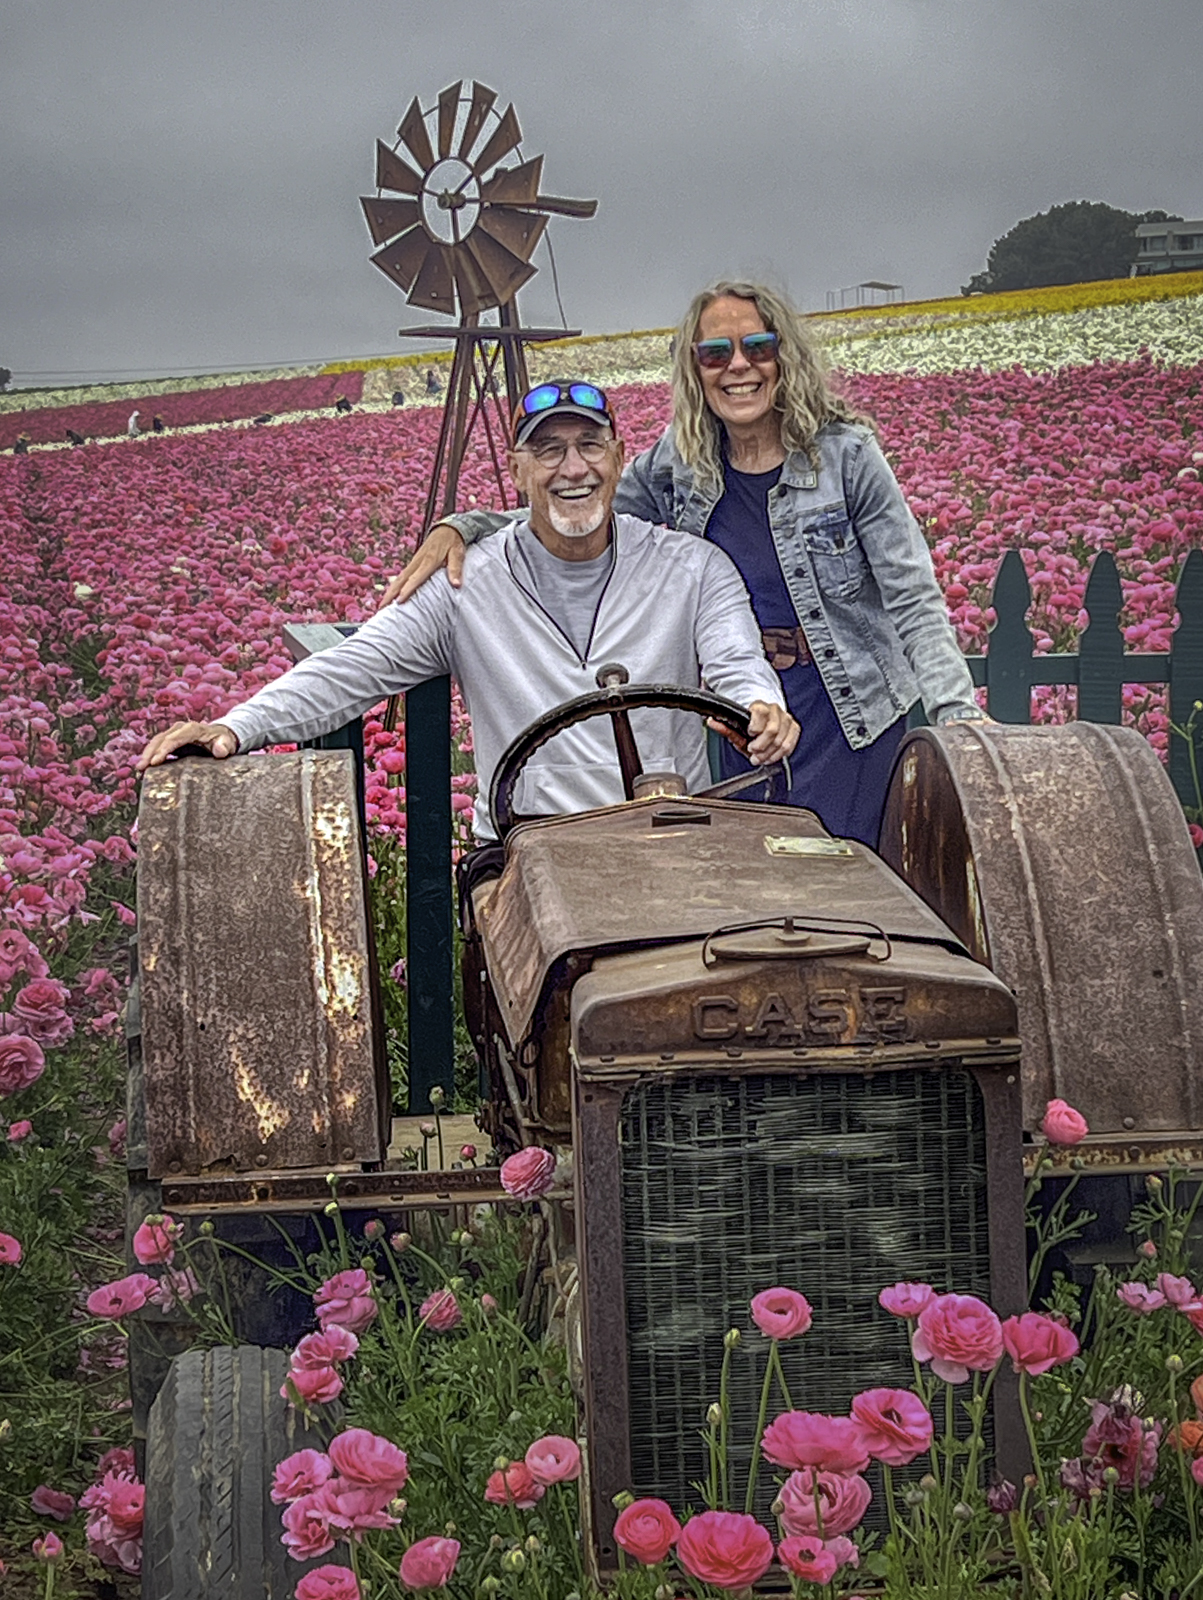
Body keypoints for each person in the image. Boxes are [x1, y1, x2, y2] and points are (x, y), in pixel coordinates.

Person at [386, 281, 986, 847]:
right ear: (695, 369)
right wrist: (466, 526)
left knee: (848, 879)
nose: (738, 367)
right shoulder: (684, 460)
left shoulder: (847, 458)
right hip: (742, 718)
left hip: (848, 715)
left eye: (757, 347)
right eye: (715, 354)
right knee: (756, 884)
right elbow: (584, 507)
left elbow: (913, 597)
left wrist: (957, 720)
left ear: (785, 357)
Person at [136, 379, 797, 845]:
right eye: (548, 451)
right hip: (529, 848)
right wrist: (235, 726)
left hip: (670, 836)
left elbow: (737, 661)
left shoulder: (692, 568)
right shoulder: (464, 584)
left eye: (590, 446)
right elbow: (351, 668)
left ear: (620, 459)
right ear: (517, 471)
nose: (573, 468)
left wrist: (760, 708)